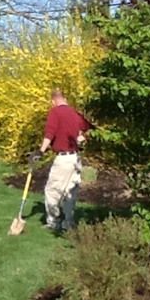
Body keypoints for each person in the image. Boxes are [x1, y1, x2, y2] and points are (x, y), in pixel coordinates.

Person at [35, 89, 93, 232]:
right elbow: (89, 128)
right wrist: (82, 137)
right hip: (75, 159)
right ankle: (68, 223)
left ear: (53, 101)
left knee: (52, 190)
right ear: (65, 99)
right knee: (70, 191)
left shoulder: (55, 112)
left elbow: (50, 133)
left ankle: (53, 222)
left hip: (63, 159)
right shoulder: (74, 113)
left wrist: (40, 151)